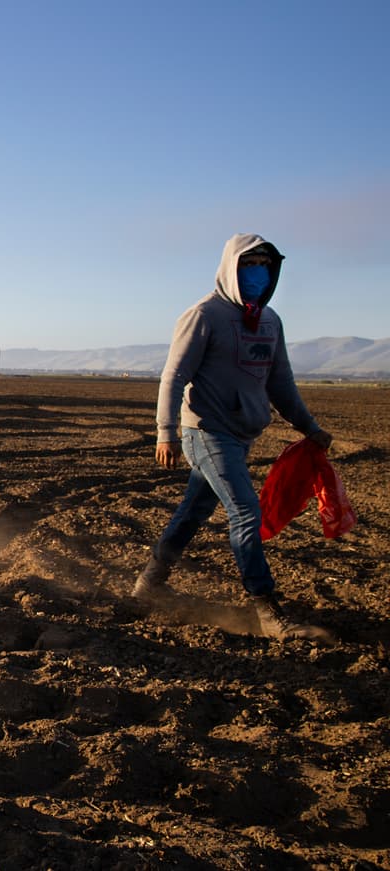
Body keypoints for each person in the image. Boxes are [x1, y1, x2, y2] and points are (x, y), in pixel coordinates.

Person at [134, 233, 334, 641]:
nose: (258, 272)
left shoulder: (270, 321)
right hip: (205, 430)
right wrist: (165, 431)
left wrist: (309, 428)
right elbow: (174, 376)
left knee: (192, 512)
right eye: (250, 264)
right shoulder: (204, 315)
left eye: (264, 265)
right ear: (231, 267)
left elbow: (281, 385)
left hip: (241, 435)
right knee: (245, 511)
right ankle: (266, 609)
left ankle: (149, 582)